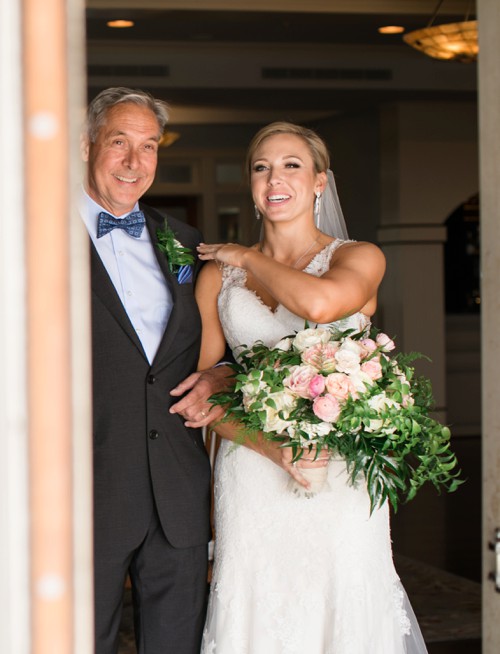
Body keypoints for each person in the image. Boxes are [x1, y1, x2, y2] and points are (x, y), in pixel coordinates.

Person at [192, 121, 428, 653]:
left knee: (341, 606)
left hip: (340, 474)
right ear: (251, 183)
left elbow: (320, 306)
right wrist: (271, 447)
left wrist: (247, 257)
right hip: (251, 476)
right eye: (261, 167)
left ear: (320, 181)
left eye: (291, 165)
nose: (275, 178)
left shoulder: (358, 257)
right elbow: (201, 396)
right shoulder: (217, 280)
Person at [81, 87, 231, 654]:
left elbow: (220, 350)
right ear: (86, 144)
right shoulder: (36, 237)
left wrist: (217, 377)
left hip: (176, 487)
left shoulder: (184, 243)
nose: (134, 162)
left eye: (149, 147)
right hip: (86, 487)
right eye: (119, 142)